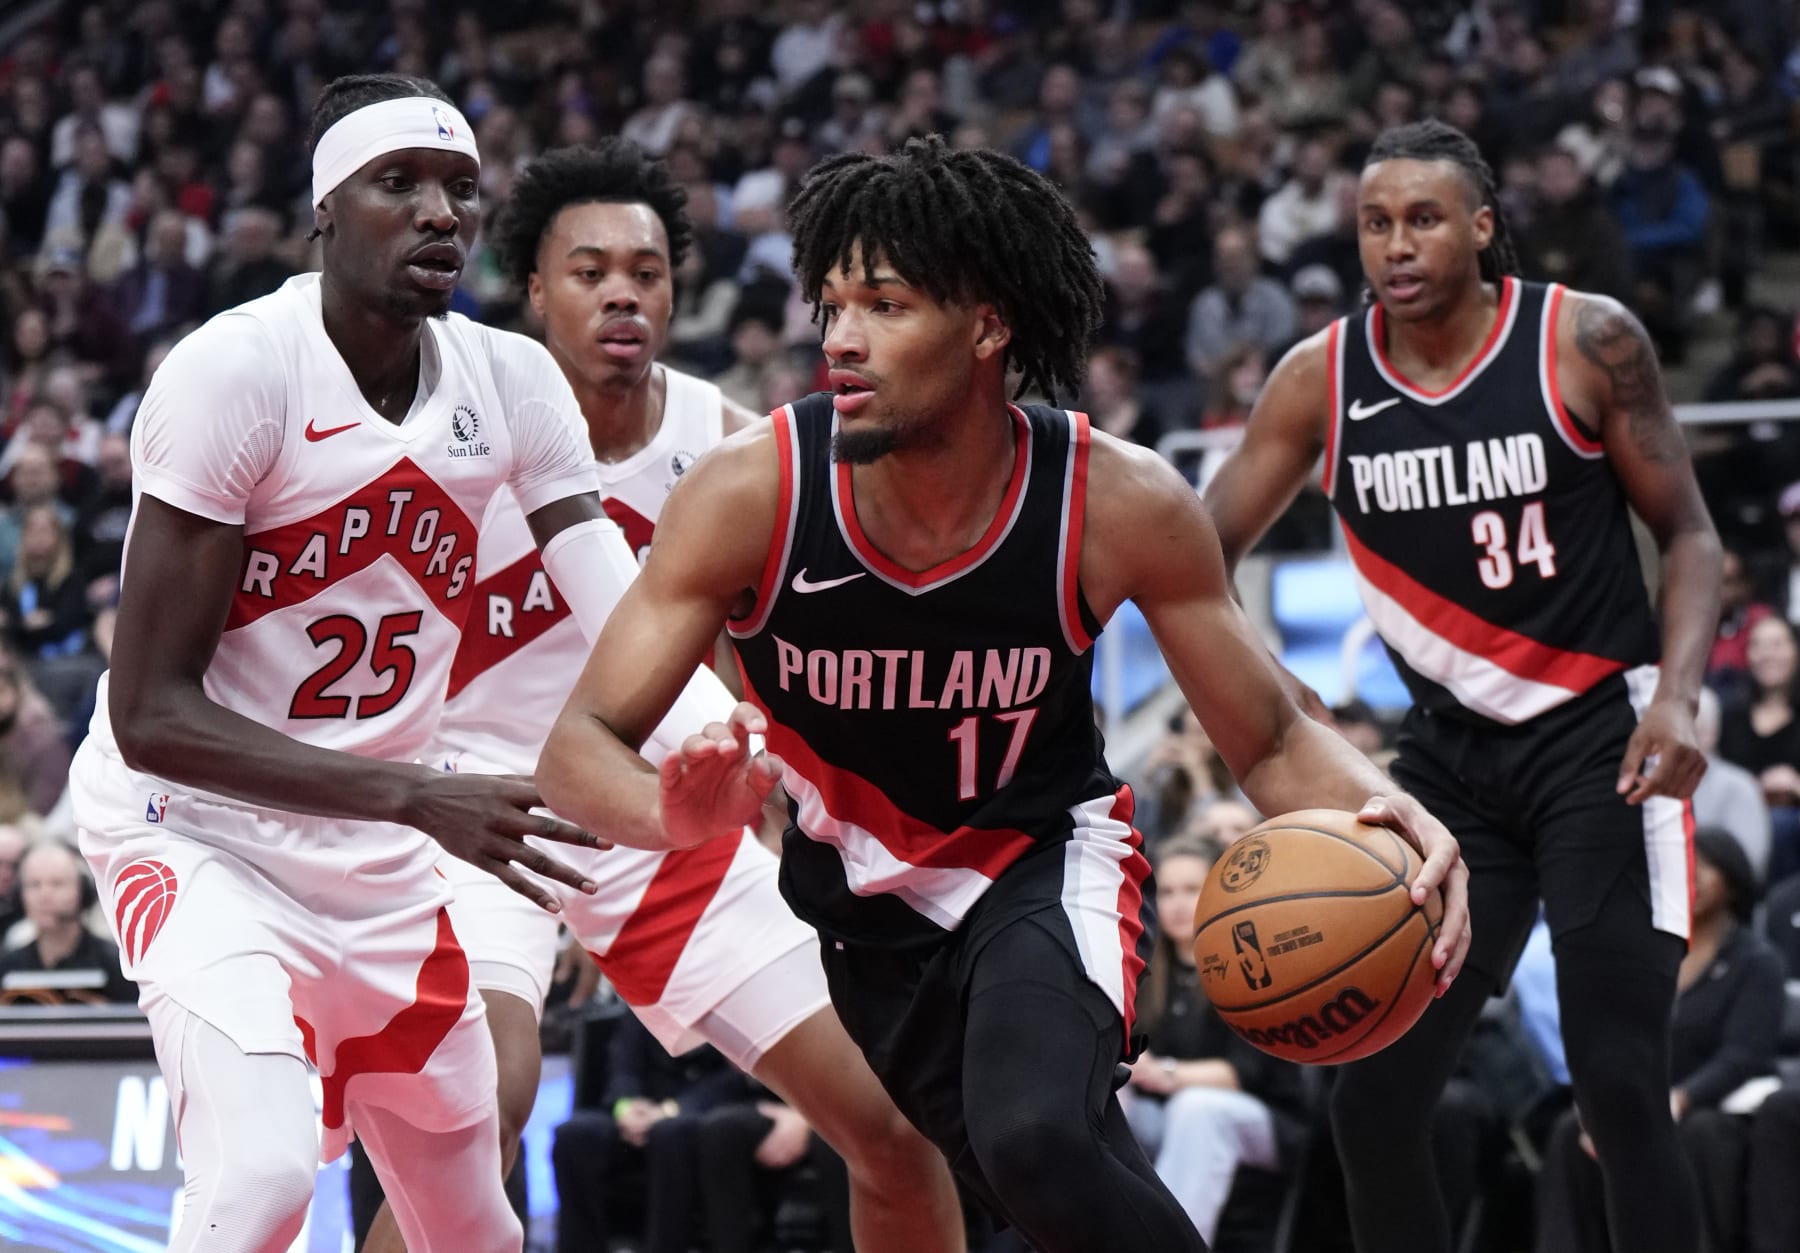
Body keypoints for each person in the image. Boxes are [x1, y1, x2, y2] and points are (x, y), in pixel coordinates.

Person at [537, 135, 1470, 1253]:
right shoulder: (752, 493)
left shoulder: (1116, 498)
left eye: (884, 304)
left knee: (1033, 1136)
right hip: (863, 906)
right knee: (1045, 1181)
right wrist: (669, 815)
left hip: (1040, 859)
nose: (840, 336)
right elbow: (579, 743)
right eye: (833, 303)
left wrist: (1386, 805)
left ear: (986, 325)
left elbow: (1267, 734)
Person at [64, 73, 639, 1253]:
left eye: (461, 191)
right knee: (264, 1178)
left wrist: (735, 750)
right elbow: (149, 715)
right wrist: (419, 794)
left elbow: (618, 611)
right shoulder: (238, 371)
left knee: (478, 1224)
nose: (441, 213)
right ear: (326, 209)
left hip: (375, 853)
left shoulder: (512, 381)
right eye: (401, 184)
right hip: (199, 825)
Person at [361, 138, 961, 1253]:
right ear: (535, 290)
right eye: (589, 272)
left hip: (659, 817)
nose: (622, 292)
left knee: (897, 1125)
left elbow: (793, 665)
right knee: (478, 1114)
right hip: (473, 814)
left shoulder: (732, 448)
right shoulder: (440, 429)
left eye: (646, 270)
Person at [1202, 119, 1722, 1253]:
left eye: (1424, 218)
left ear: (1482, 228)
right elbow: (1193, 557)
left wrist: (1680, 694)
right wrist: (1266, 680)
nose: (1397, 244)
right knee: (1374, 1104)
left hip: (1603, 744)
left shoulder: (1586, 337)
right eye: (1376, 223)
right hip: (1448, 776)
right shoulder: (1319, 379)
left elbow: (1686, 530)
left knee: (1620, 1086)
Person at [1535, 830, 1784, 1253]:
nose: (1691, 876)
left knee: (1695, 1134)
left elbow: (1744, 1055)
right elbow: (1614, 1035)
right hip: (1648, 1099)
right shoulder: (1647, 951)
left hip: (1718, 1106)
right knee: (1568, 1131)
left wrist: (1681, 1099)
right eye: (1683, 865)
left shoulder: (1756, 961)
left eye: (1704, 866)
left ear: (1732, 878)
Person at [1121, 835, 1307, 1244]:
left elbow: (1245, 1073)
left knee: (1197, 1108)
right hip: (1168, 1110)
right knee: (1105, 1096)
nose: (1177, 903)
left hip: (1265, 1117)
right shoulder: (1145, 967)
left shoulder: (1252, 963)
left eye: (1192, 889)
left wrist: (1163, 1072)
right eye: (1167, 891)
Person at [0, 838, 135, 1003]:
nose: (44, 895)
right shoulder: (7, 966)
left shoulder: (118, 966)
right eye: (34, 885)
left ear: (83, 892)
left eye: (57, 884)